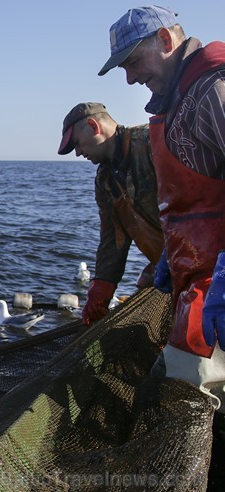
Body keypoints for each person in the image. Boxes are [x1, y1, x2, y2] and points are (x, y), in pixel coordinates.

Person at [98, 5, 225, 406]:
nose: (131, 78)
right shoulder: (177, 101)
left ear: (166, 41)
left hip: (214, 292)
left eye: (133, 62)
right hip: (195, 290)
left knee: (178, 396)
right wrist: (176, 249)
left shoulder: (214, 88)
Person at [57, 102, 163, 326]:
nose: (77, 153)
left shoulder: (154, 142)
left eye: (76, 143)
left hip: (206, 265)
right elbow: (112, 238)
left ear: (94, 126)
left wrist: (178, 258)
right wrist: (102, 285)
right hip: (170, 270)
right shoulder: (105, 180)